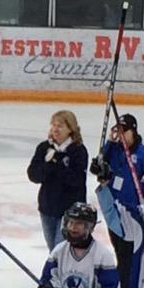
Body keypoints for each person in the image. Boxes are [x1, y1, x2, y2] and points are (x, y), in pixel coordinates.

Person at [90, 113, 144, 288]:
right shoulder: (113, 150)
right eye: (117, 130)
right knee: (118, 246)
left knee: (130, 250)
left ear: (133, 131)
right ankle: (123, 285)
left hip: (135, 211)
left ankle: (126, 286)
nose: (119, 134)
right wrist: (107, 147)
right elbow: (100, 164)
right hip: (113, 206)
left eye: (123, 130)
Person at [26, 109, 89, 258]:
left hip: (70, 212)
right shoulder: (44, 148)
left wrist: (56, 162)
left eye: (60, 125)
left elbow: (77, 180)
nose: (55, 129)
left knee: (61, 250)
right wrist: (48, 164)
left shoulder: (78, 151)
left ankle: (61, 278)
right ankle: (56, 277)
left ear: (70, 129)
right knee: (53, 250)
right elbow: (33, 175)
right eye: (53, 125)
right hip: (47, 208)